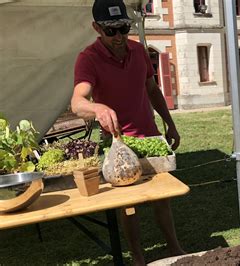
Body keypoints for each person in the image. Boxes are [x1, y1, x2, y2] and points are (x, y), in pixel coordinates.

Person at [70, 0, 184, 264]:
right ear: (96, 28)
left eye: (123, 28)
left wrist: (170, 123)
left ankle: (174, 248)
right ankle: (138, 256)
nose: (119, 36)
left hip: (150, 135)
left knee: (162, 197)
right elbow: (77, 102)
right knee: (128, 203)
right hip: (119, 143)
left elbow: (152, 89)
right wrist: (97, 108)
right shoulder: (88, 59)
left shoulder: (138, 50)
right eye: (111, 31)